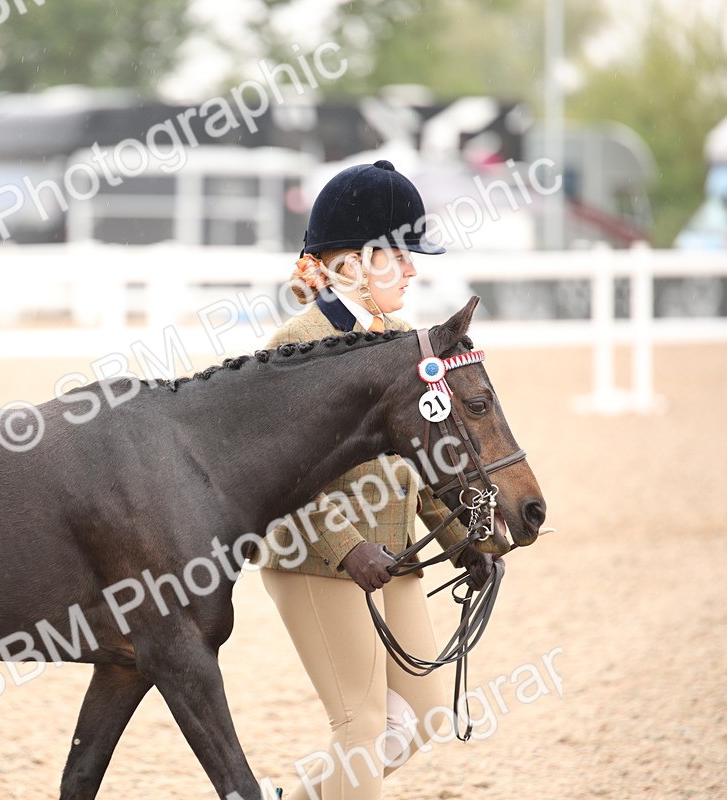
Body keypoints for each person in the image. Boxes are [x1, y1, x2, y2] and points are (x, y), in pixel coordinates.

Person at [259, 160, 495, 800]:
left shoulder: (403, 344)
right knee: (361, 724)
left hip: (392, 553)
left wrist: (459, 537)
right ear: (352, 263)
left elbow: (423, 462)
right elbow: (282, 478)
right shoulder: (296, 346)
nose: (414, 269)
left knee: (421, 717)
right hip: (314, 556)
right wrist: (345, 547)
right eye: (400, 255)